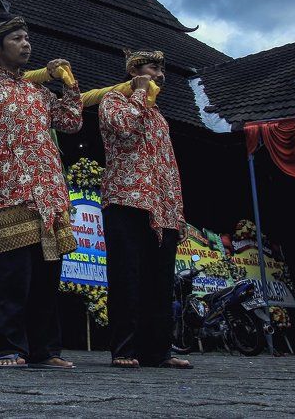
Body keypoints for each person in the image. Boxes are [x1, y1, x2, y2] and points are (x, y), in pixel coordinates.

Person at [0, 7, 82, 369]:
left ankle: (45, 351)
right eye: (17, 39)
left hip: (48, 195)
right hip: (8, 192)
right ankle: (7, 347)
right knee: (12, 276)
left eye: (27, 38)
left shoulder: (39, 91)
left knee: (47, 277)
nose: (26, 44)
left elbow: (71, 122)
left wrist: (69, 84)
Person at [100, 50, 192, 370]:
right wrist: (139, 92)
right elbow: (124, 127)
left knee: (160, 280)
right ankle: (125, 349)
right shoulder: (114, 101)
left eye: (162, 68)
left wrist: (178, 213)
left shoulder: (158, 116)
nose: (160, 73)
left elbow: (170, 166)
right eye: (153, 67)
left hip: (162, 205)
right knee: (127, 277)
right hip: (126, 199)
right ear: (135, 71)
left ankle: (159, 352)